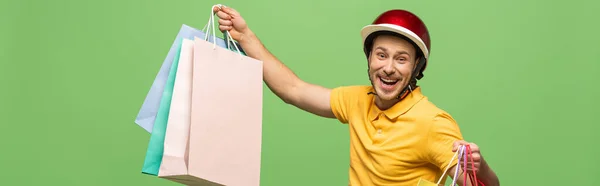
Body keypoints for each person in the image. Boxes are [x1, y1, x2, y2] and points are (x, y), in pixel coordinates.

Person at [213, 5, 500, 186]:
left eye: (401, 59)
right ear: (369, 59)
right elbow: (293, 90)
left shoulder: (432, 122)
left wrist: (481, 166)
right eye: (381, 55)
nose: (388, 68)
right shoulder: (357, 100)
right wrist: (246, 36)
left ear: (416, 68)